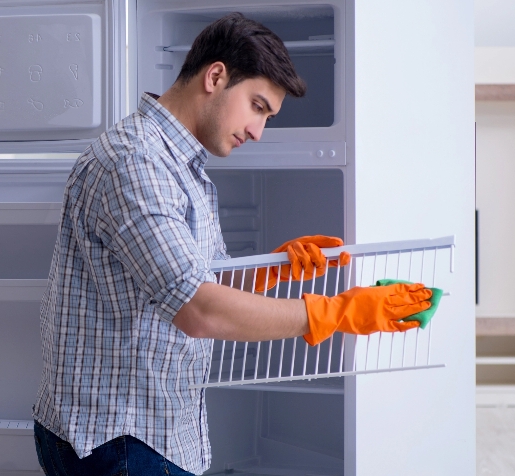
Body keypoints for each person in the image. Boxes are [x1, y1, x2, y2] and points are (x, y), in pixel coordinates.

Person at [32, 12, 432, 476]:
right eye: (257, 106)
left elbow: (194, 279)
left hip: (139, 430)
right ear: (216, 75)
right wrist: (335, 312)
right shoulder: (135, 162)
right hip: (123, 441)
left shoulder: (180, 167)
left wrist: (272, 268)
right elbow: (198, 310)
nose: (259, 131)